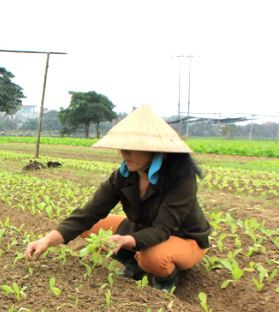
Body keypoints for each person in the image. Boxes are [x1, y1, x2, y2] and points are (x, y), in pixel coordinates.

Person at [24, 105, 212, 291]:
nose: (124, 153)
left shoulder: (181, 178)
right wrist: (47, 240)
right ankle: (136, 266)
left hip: (183, 237)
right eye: (122, 147)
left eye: (131, 147)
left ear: (154, 149)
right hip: (143, 231)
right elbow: (88, 214)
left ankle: (166, 279)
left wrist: (128, 240)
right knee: (94, 229)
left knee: (154, 257)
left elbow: (162, 229)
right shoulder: (123, 176)